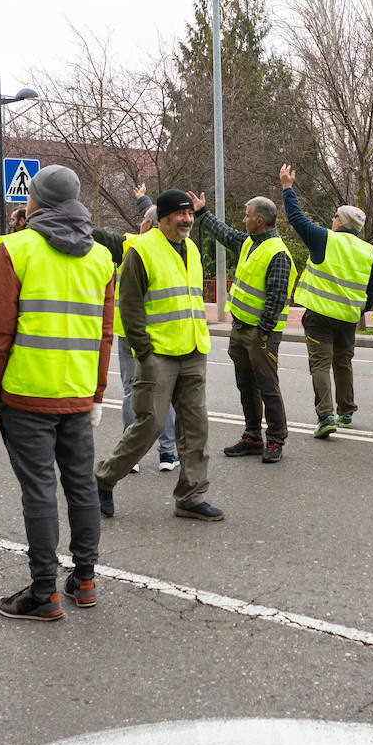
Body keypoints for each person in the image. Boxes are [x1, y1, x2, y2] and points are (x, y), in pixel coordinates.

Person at [0, 166, 115, 621]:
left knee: (38, 490)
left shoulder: (14, 249)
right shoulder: (101, 258)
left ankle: (44, 592)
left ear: (38, 201)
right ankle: (86, 579)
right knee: (81, 487)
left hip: (26, 393)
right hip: (76, 392)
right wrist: (96, 393)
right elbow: (105, 335)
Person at [94, 189, 223, 521]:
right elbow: (131, 306)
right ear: (163, 217)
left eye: (190, 215)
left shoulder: (191, 248)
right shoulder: (141, 250)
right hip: (159, 354)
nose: (188, 220)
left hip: (193, 349)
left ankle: (191, 497)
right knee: (150, 424)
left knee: (196, 427)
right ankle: (104, 479)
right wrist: (145, 352)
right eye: (181, 215)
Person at [191, 190, 294, 463]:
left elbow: (276, 297)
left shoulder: (278, 253)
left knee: (267, 386)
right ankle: (252, 436)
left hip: (260, 333)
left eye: (247, 215)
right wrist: (202, 213)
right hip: (241, 328)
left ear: (259, 220)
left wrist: (263, 331)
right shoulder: (251, 242)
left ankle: (275, 439)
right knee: (246, 384)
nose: (243, 218)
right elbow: (225, 234)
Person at [280, 164, 373, 438]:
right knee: (343, 364)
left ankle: (326, 417)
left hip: (319, 316)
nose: (332, 219)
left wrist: (288, 188)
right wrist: (361, 308)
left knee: (320, 365)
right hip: (348, 319)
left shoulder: (325, 239)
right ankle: (346, 412)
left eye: (335, 216)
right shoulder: (367, 251)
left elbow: (297, 219)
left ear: (342, 222)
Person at [91, 185, 180, 473]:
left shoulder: (132, 245)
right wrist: (143, 200)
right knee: (163, 393)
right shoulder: (178, 249)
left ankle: (132, 456)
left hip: (130, 332)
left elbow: (99, 234)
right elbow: (152, 214)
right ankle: (168, 453)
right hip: (162, 332)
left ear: (148, 225)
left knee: (131, 391)